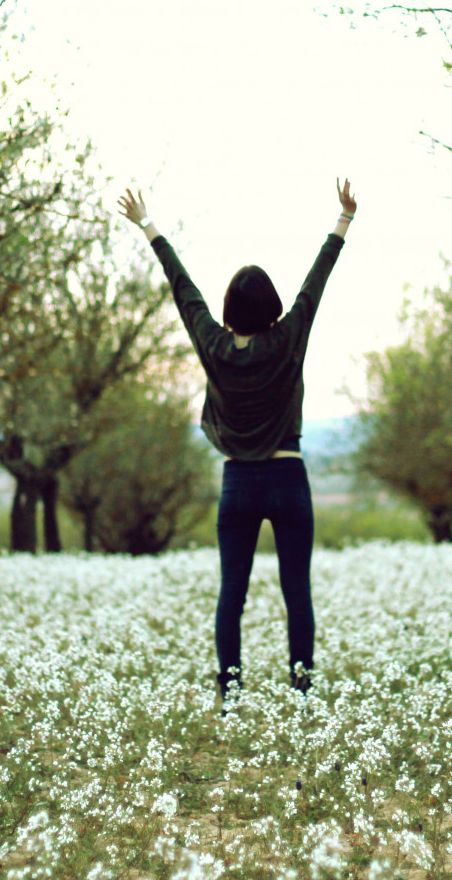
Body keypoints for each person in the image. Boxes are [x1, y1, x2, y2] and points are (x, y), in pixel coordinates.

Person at [117, 179, 356, 708]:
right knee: (298, 591)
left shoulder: (214, 344)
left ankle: (230, 691)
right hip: (289, 479)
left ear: (228, 309)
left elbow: (184, 290)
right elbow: (313, 287)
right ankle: (303, 688)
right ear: (271, 307)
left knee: (233, 593)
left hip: (239, 484)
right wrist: (342, 221)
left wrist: (148, 225)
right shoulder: (288, 337)